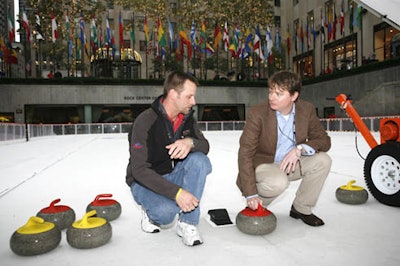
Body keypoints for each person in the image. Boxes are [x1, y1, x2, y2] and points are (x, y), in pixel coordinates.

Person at [126, 71, 212, 246]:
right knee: (165, 214)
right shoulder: (145, 121)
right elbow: (139, 170)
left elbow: (205, 146)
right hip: (144, 181)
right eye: (189, 97)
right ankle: (150, 213)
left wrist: (190, 142)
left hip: (172, 174)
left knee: (200, 161)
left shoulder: (187, 119)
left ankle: (188, 223)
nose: (193, 102)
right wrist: (177, 193)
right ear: (173, 94)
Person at [236, 70, 331, 226]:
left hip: (291, 163)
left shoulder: (306, 110)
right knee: (278, 182)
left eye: (279, 94)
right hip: (264, 165)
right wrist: (250, 194)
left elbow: (324, 141)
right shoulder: (258, 113)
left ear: (294, 96)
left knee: (323, 161)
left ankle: (301, 208)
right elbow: (245, 153)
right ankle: (258, 205)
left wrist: (300, 149)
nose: (271, 97)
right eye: (271, 92)